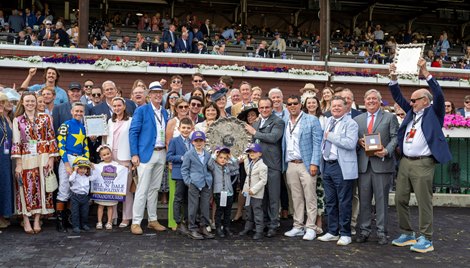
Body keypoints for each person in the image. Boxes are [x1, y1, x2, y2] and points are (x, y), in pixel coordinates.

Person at [389, 59, 452, 253]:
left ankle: (427, 238)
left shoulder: (434, 112)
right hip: (406, 162)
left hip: (423, 163)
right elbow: (398, 98)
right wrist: (393, 78)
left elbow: (439, 94)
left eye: (415, 100)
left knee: (424, 201)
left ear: (425, 100)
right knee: (400, 198)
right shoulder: (412, 113)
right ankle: (407, 233)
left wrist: (426, 73)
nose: (411, 102)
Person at [354, 89, 399, 245]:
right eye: (368, 99)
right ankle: (364, 231)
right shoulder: (357, 119)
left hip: (382, 165)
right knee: (364, 201)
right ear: (364, 101)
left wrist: (386, 150)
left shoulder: (390, 117)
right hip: (364, 166)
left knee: (381, 201)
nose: (371, 101)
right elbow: (353, 139)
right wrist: (358, 142)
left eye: (374, 98)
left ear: (380, 101)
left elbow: (395, 138)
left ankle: (381, 232)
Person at [11, 92, 58, 234]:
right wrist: (18, 164)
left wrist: (51, 158)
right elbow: (16, 142)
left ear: (37, 102)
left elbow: (51, 138)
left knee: (42, 186)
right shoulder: (18, 120)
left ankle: (37, 219)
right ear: (22, 103)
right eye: (28, 101)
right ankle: (26, 219)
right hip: (26, 156)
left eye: (33, 101)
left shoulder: (46, 117)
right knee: (25, 187)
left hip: (43, 155)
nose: (30, 103)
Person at [317, 96, 359, 246]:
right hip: (327, 165)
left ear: (346, 107)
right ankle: (332, 231)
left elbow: (350, 143)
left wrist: (331, 136)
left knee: (344, 201)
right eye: (333, 106)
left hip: (341, 167)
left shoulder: (351, 123)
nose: (335, 108)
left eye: (339, 106)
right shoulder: (329, 121)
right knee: (330, 201)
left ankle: (345, 233)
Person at [129, 81, 169, 235]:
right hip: (146, 154)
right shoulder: (142, 110)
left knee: (155, 189)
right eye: (154, 92)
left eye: (160, 92)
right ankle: (136, 222)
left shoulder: (165, 112)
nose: (158, 95)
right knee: (142, 189)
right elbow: (133, 132)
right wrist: (134, 154)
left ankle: (152, 220)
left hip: (161, 153)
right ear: (149, 95)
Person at [282, 95, 322, 241]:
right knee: (296, 197)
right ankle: (298, 226)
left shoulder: (312, 120)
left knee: (310, 196)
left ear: (300, 105)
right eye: (289, 104)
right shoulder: (285, 121)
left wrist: (314, 163)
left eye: (295, 103)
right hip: (291, 164)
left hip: (306, 164)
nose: (292, 106)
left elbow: (318, 143)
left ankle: (311, 227)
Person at [245, 97, 285, 238]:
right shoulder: (256, 123)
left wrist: (254, 132)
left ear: (272, 107)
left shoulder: (278, 121)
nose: (264, 110)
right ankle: (261, 224)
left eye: (267, 107)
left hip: (272, 165)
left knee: (273, 197)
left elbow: (273, 138)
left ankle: (273, 225)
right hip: (257, 166)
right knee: (261, 198)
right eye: (261, 108)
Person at [56, 102, 89, 232]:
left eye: (81, 111)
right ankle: (60, 222)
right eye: (76, 111)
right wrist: (66, 164)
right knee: (64, 188)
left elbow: (85, 146)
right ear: (71, 111)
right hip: (68, 158)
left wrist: (85, 161)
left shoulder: (83, 127)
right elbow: (61, 145)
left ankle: (72, 220)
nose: (79, 113)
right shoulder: (65, 125)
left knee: (75, 189)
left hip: (80, 159)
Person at [103, 97, 133, 228]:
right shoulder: (110, 121)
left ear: (124, 106)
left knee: (126, 189)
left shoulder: (131, 121)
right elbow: (105, 138)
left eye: (119, 105)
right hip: (111, 157)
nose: (117, 108)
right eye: (114, 106)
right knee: (112, 188)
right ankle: (113, 216)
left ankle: (126, 217)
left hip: (125, 157)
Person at [181, 131, 215, 240]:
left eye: (201, 141)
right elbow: (184, 169)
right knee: (193, 205)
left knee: (205, 205)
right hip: (194, 183)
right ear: (192, 142)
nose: (199, 143)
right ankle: (192, 227)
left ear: (204, 142)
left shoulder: (208, 154)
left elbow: (211, 167)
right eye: (196, 141)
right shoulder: (189, 154)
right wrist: (188, 182)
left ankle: (203, 226)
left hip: (206, 182)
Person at [166, 117, 194, 235]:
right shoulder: (174, 141)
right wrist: (182, 158)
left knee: (189, 199)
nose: (186, 130)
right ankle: (178, 221)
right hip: (179, 174)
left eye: (188, 128)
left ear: (192, 129)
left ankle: (188, 221)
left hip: (191, 174)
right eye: (183, 128)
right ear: (179, 128)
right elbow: (169, 156)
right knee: (178, 198)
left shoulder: (193, 142)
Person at [94, 145, 128, 231]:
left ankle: (109, 222)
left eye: (108, 153)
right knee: (100, 206)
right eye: (104, 155)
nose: (107, 156)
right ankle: (99, 222)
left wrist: (126, 169)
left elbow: (122, 172)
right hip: (102, 191)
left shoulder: (116, 165)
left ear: (111, 153)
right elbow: (94, 170)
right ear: (101, 157)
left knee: (110, 207)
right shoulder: (99, 165)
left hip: (111, 191)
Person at [238, 143, 268, 240]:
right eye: (250, 152)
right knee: (248, 210)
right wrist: (246, 159)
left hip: (256, 194)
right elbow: (248, 172)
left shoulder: (262, 166)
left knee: (257, 211)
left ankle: (259, 231)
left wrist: (254, 190)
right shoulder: (251, 163)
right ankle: (248, 227)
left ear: (260, 153)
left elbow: (263, 180)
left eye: (254, 152)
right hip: (248, 192)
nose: (252, 153)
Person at [209, 146, 239, 238]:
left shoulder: (228, 166)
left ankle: (227, 227)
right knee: (219, 211)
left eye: (225, 158)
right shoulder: (214, 166)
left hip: (229, 192)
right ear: (217, 157)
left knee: (228, 212)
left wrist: (232, 157)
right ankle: (218, 228)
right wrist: (214, 155)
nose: (223, 160)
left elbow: (236, 166)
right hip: (219, 192)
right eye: (220, 157)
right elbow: (208, 164)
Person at [69, 157, 97, 233]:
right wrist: (74, 171)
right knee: (75, 212)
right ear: (77, 168)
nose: (82, 170)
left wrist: (93, 168)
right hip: (75, 196)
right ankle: (76, 226)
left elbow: (95, 177)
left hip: (85, 197)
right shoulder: (74, 176)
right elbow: (71, 180)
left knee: (85, 212)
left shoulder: (87, 177)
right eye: (80, 168)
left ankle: (84, 224)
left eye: (85, 169)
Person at [0, 93, 13, 229]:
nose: (1, 105)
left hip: (5, 157)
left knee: (4, 185)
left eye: (3, 102)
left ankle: (2, 216)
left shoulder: (6, 119)